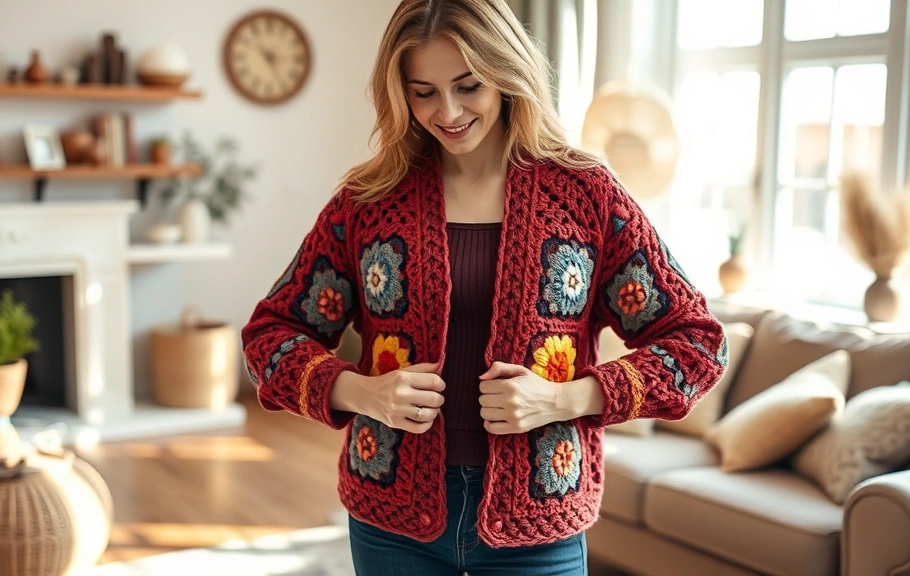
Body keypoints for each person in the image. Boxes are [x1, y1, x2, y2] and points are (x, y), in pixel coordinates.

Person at [241, 1, 727, 574]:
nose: (447, 112)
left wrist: (565, 399)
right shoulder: (369, 202)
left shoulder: (586, 194)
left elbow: (697, 344)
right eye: (424, 92)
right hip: (391, 518)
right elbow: (270, 336)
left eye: (468, 86)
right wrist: (361, 392)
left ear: (505, 73)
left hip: (539, 518)